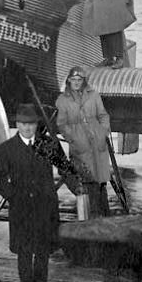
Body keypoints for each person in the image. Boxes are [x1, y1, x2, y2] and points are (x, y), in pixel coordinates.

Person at [0, 103, 59, 282]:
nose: (28, 128)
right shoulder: (7, 148)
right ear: (17, 124)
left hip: (44, 206)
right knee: (24, 250)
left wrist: (79, 186)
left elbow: (64, 167)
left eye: (31, 124)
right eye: (23, 124)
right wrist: (13, 194)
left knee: (42, 250)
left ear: (37, 125)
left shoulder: (47, 144)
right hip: (21, 208)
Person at [55, 66, 111, 217]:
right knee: (85, 183)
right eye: (73, 80)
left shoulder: (94, 96)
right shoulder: (63, 99)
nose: (76, 83)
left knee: (100, 184)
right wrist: (73, 138)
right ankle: (90, 220)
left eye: (79, 80)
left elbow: (103, 115)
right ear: (69, 81)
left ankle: (104, 217)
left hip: (96, 146)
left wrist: (102, 132)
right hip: (80, 148)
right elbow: (61, 124)